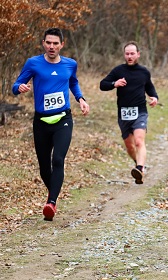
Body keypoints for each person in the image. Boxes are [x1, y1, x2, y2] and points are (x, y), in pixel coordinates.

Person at [12, 28, 90, 221]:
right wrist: (19, 88)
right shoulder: (33, 63)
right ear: (43, 43)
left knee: (58, 160)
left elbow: (73, 82)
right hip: (41, 122)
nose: (52, 46)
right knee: (44, 168)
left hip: (63, 119)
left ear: (62, 45)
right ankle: (53, 194)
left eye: (56, 43)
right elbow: (15, 85)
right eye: (48, 42)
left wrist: (80, 98)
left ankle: (51, 203)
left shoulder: (70, 64)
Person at [100, 41, 158, 185]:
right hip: (124, 113)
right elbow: (102, 85)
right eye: (127, 54)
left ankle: (140, 167)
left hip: (140, 111)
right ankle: (138, 164)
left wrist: (154, 97)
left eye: (132, 53)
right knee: (130, 146)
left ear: (138, 54)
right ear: (124, 55)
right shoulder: (118, 71)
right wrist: (114, 84)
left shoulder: (144, 72)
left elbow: (149, 87)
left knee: (139, 141)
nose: (130, 56)